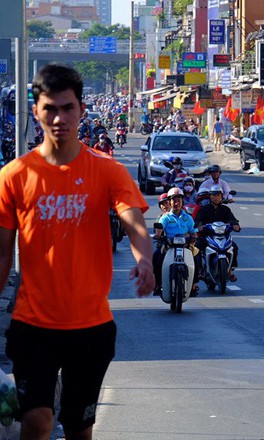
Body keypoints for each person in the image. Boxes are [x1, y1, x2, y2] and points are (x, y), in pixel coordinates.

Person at [0, 64, 154, 440]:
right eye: (50, 108)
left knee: (78, 428)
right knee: (37, 421)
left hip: (91, 327)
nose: (59, 118)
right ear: (35, 110)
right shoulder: (14, 176)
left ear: (82, 110)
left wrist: (145, 258)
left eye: (68, 108)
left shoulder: (106, 170)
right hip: (33, 324)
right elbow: (3, 254)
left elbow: (133, 220)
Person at [153, 187, 199, 296]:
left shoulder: (188, 218)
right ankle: (158, 284)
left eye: (179, 200)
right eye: (174, 200)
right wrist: (158, 235)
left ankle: (192, 285)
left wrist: (193, 237)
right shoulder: (165, 218)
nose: (176, 203)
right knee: (156, 258)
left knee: (197, 258)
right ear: (169, 202)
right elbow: (159, 230)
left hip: (186, 245)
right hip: (169, 245)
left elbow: (194, 231)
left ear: (182, 202)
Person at [195, 185, 241, 282]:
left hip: (223, 236)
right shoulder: (204, 209)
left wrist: (236, 225)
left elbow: (232, 219)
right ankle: (199, 269)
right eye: (213, 195)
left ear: (221, 196)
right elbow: (198, 221)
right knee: (197, 248)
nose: (215, 197)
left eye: (218, 195)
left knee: (234, 247)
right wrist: (199, 226)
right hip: (207, 236)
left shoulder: (225, 209)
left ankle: (230, 270)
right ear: (210, 197)